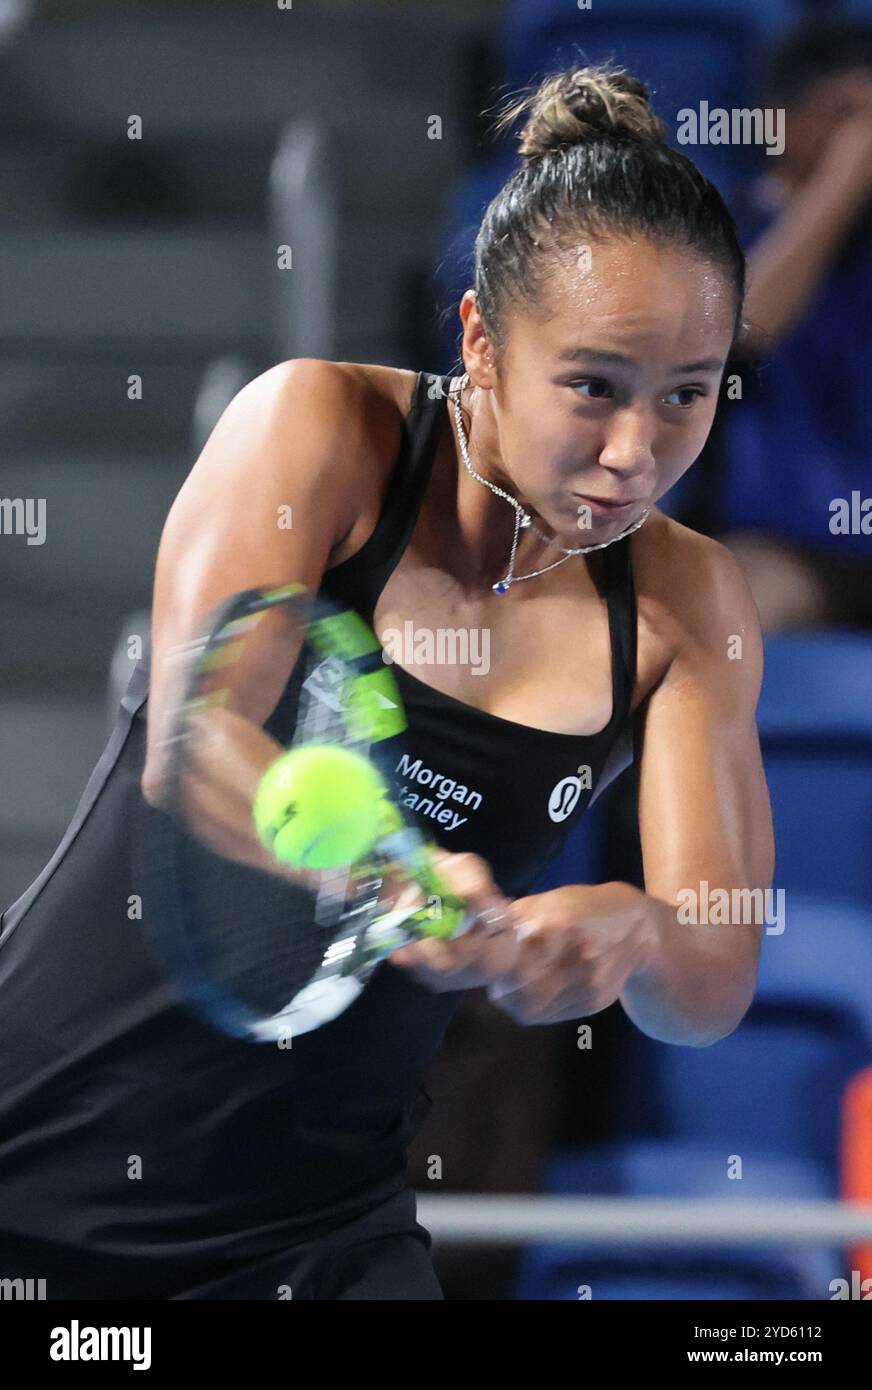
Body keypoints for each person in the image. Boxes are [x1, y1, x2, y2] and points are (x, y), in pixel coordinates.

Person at [0, 63, 772, 1300]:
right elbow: (194, 744)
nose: (635, 454)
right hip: (38, 1143)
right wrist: (379, 873)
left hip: (316, 1226)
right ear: (478, 337)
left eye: (685, 396)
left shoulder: (686, 606)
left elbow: (713, 974)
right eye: (592, 387)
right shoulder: (316, 430)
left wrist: (630, 934)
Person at [717, 18, 872, 629]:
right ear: (778, 118)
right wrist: (843, 181)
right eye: (844, 113)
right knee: (729, 614)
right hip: (785, 541)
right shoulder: (726, 222)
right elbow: (745, 326)